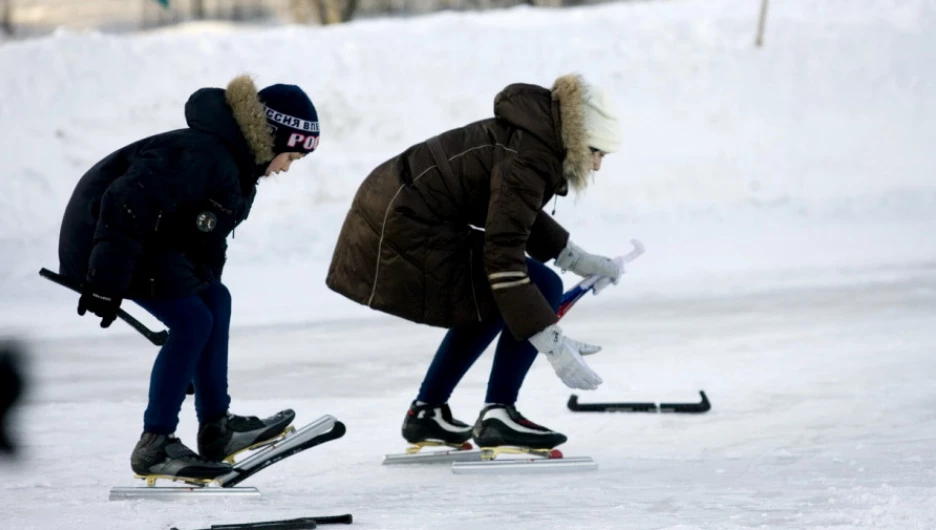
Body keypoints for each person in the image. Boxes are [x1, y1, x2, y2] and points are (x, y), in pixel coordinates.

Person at [326, 73, 623, 450]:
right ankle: (499, 412)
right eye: (597, 152)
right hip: (402, 225)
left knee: (492, 292)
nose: (597, 166)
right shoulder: (532, 154)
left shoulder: (534, 138)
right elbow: (504, 251)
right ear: (580, 140)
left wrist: (575, 257)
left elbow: (511, 212)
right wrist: (551, 342)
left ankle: (428, 413)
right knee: (534, 286)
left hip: (397, 213)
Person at [57, 75, 320, 480]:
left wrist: (199, 351)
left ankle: (217, 428)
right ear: (273, 138)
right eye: (290, 157)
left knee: (216, 300)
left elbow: (203, 241)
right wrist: (104, 280)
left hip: (148, 243)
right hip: (102, 242)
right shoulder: (206, 153)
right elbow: (125, 201)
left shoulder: (237, 166)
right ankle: (155, 444)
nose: (286, 169)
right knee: (191, 321)